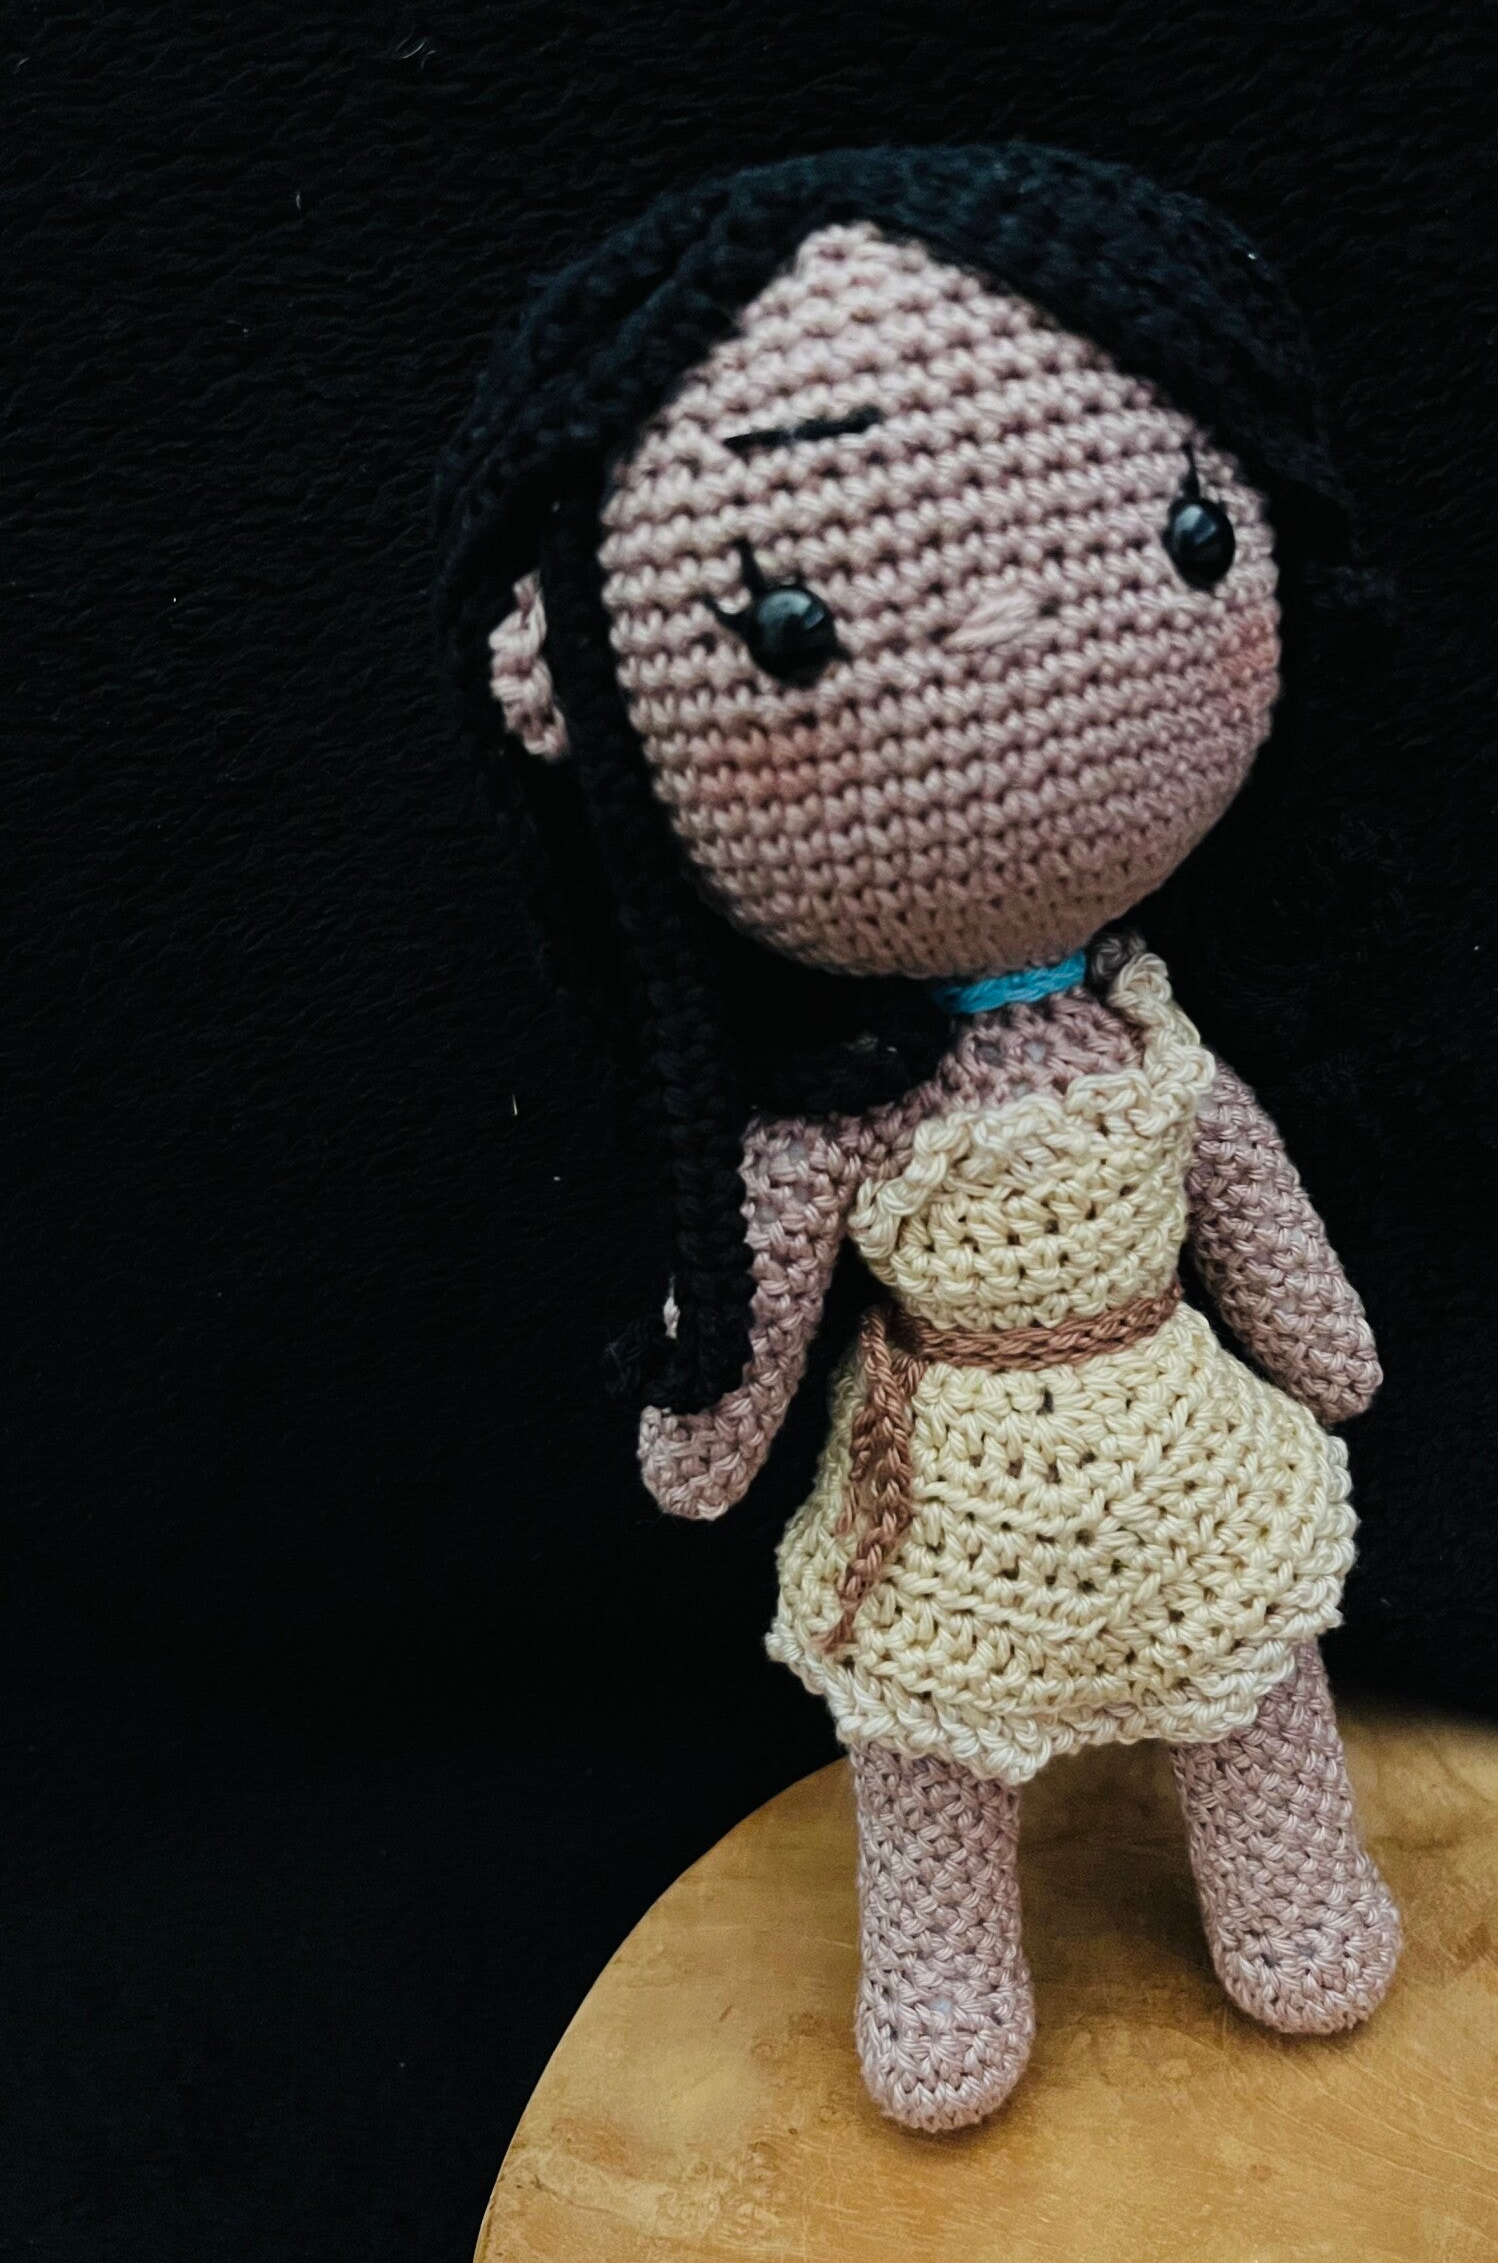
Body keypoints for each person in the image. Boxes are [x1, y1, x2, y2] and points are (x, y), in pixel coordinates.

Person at [437, 144, 1402, 2132]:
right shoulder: (838, 1117)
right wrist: (713, 1422)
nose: (1011, 637)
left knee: (1252, 1654)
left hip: (1178, 1430)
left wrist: (1323, 1345)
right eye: (793, 625)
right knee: (930, 1733)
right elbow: (753, 1290)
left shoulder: (1142, 1027)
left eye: (1184, 539)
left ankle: (1295, 1894)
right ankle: (946, 1966)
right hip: (948, 1473)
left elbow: (1237, 1176)